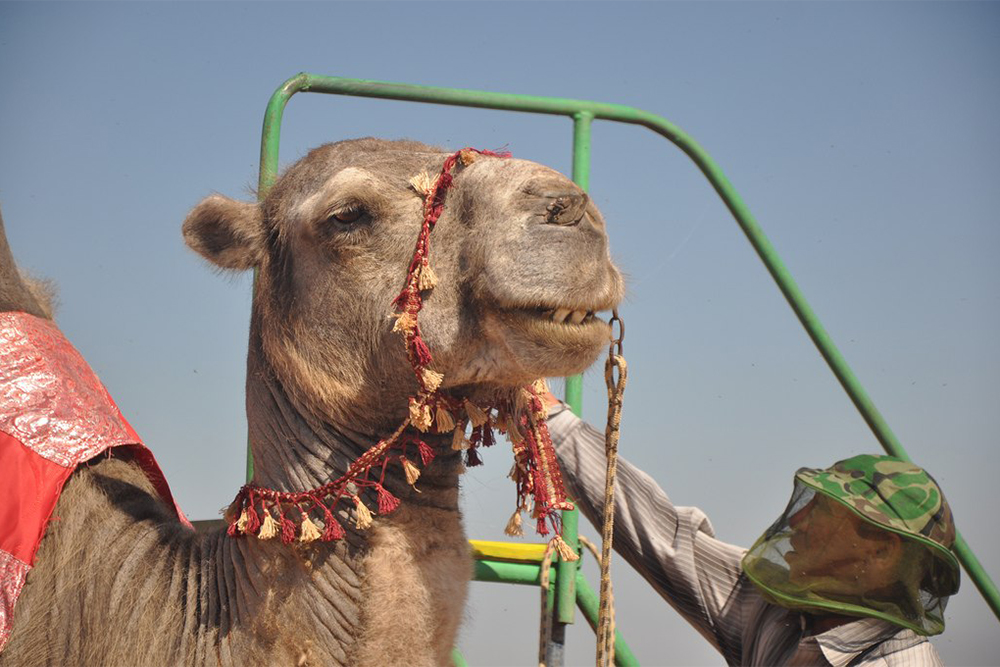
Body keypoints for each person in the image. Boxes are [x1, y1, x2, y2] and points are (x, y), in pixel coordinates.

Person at [545, 399, 960, 666]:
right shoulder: (775, 611)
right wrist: (548, 416)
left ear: (882, 552)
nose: (796, 523)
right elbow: (665, 537)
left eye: (824, 512)